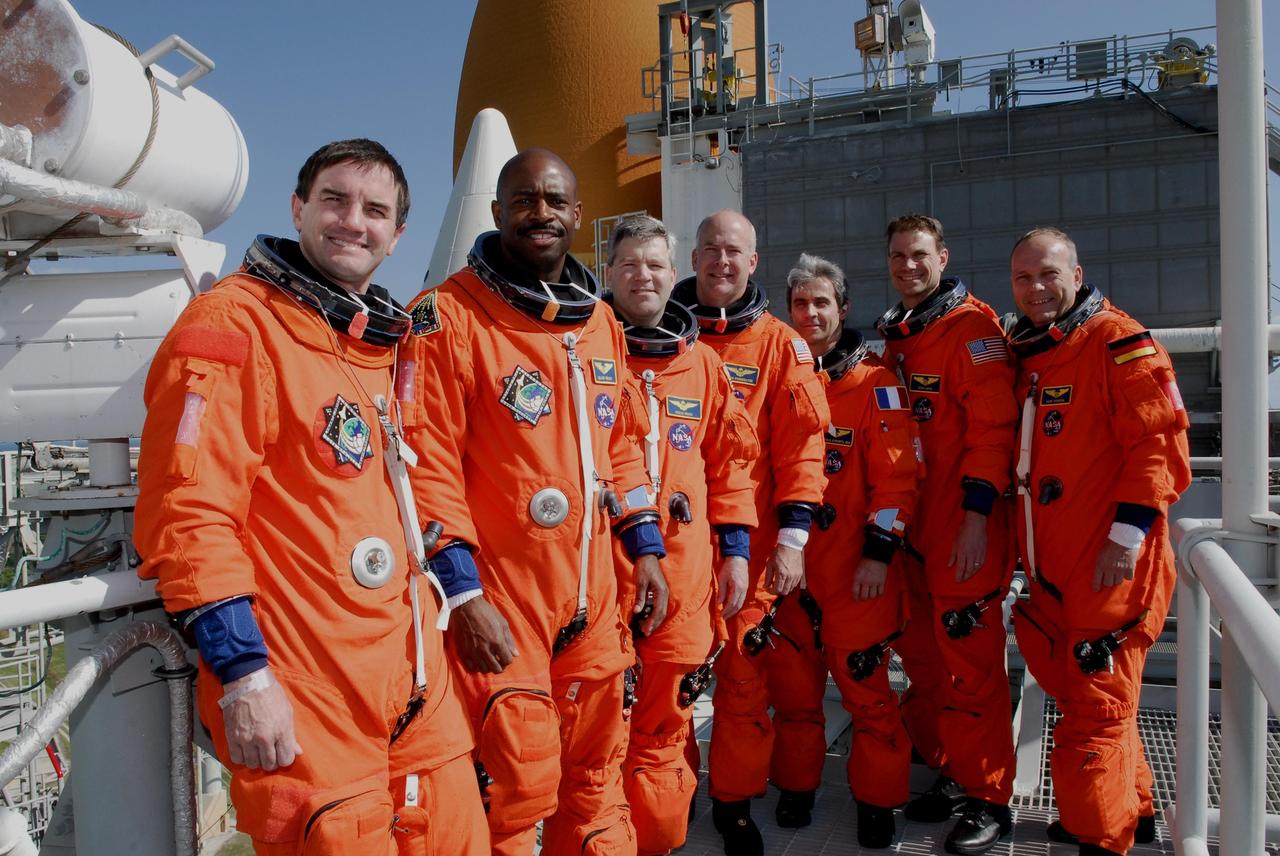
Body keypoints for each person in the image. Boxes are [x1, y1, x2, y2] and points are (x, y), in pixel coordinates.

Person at [135, 139, 487, 855]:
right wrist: (243, 676)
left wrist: (466, 591)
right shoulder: (234, 326)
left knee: (458, 836)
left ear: (397, 236)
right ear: (298, 209)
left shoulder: (389, 349)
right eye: (334, 200)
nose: (353, 221)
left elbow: (421, 483)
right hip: (308, 688)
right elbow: (191, 512)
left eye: (375, 210)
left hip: (414, 675)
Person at [402, 149, 670, 856]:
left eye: (555, 201)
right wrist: (462, 597)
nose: (541, 214)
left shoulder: (601, 326)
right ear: (496, 213)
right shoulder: (447, 318)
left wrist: (645, 548)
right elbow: (424, 468)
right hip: (502, 600)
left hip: (593, 597)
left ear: (578, 216)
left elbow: (623, 450)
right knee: (517, 785)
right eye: (524, 200)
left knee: (595, 776)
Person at [1007, 228, 1190, 856]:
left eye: (1049, 274)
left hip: (1107, 566)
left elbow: (1161, 445)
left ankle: (1101, 836)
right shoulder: (1034, 353)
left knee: (1095, 714)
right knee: (1101, 704)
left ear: (1077, 274)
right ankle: (1131, 813)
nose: (1036, 289)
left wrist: (1126, 536)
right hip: (1055, 567)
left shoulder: (1118, 343)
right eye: (1024, 278)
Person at [671, 210, 829, 856]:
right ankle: (667, 796)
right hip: (672, 550)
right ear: (693, 257)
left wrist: (792, 542)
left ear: (754, 261)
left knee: (742, 684)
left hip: (753, 552)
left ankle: (732, 802)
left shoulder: (779, 346)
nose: (720, 261)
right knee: (667, 684)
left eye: (733, 251)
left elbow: (803, 453)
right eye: (709, 249)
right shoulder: (658, 335)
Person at [602, 215, 759, 855]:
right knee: (595, 731)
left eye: (657, 265)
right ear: (609, 273)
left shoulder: (703, 368)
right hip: (601, 575)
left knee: (666, 726)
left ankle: (658, 841)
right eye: (631, 264)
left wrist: (739, 555)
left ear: (676, 275)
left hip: (686, 577)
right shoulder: (579, 352)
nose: (644, 276)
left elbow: (731, 468)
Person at [768, 253, 923, 848]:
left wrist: (879, 555)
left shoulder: (876, 383)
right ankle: (797, 786)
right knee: (794, 691)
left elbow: (898, 480)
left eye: (821, 303)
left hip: (854, 565)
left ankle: (879, 799)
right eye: (801, 303)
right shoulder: (777, 374)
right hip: (787, 564)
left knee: (867, 691)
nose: (810, 313)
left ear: (843, 308)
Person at [874, 214, 1017, 855]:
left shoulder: (972, 331)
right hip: (913, 531)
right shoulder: (897, 336)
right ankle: (957, 774)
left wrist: (977, 521)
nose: (909, 266)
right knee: (927, 668)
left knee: (972, 669)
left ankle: (990, 797)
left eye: (920, 255)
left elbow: (992, 434)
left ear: (943, 256)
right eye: (899, 256)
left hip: (964, 529)